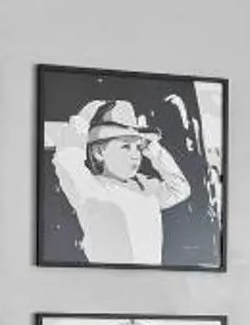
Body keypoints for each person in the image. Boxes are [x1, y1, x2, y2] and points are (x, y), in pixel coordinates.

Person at [51, 99, 191, 264]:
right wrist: (81, 120)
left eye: (138, 147)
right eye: (125, 147)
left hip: (149, 275)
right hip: (107, 276)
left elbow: (180, 189)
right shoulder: (90, 188)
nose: (135, 155)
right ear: (98, 153)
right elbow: (68, 160)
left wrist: (153, 149)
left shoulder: (146, 187)